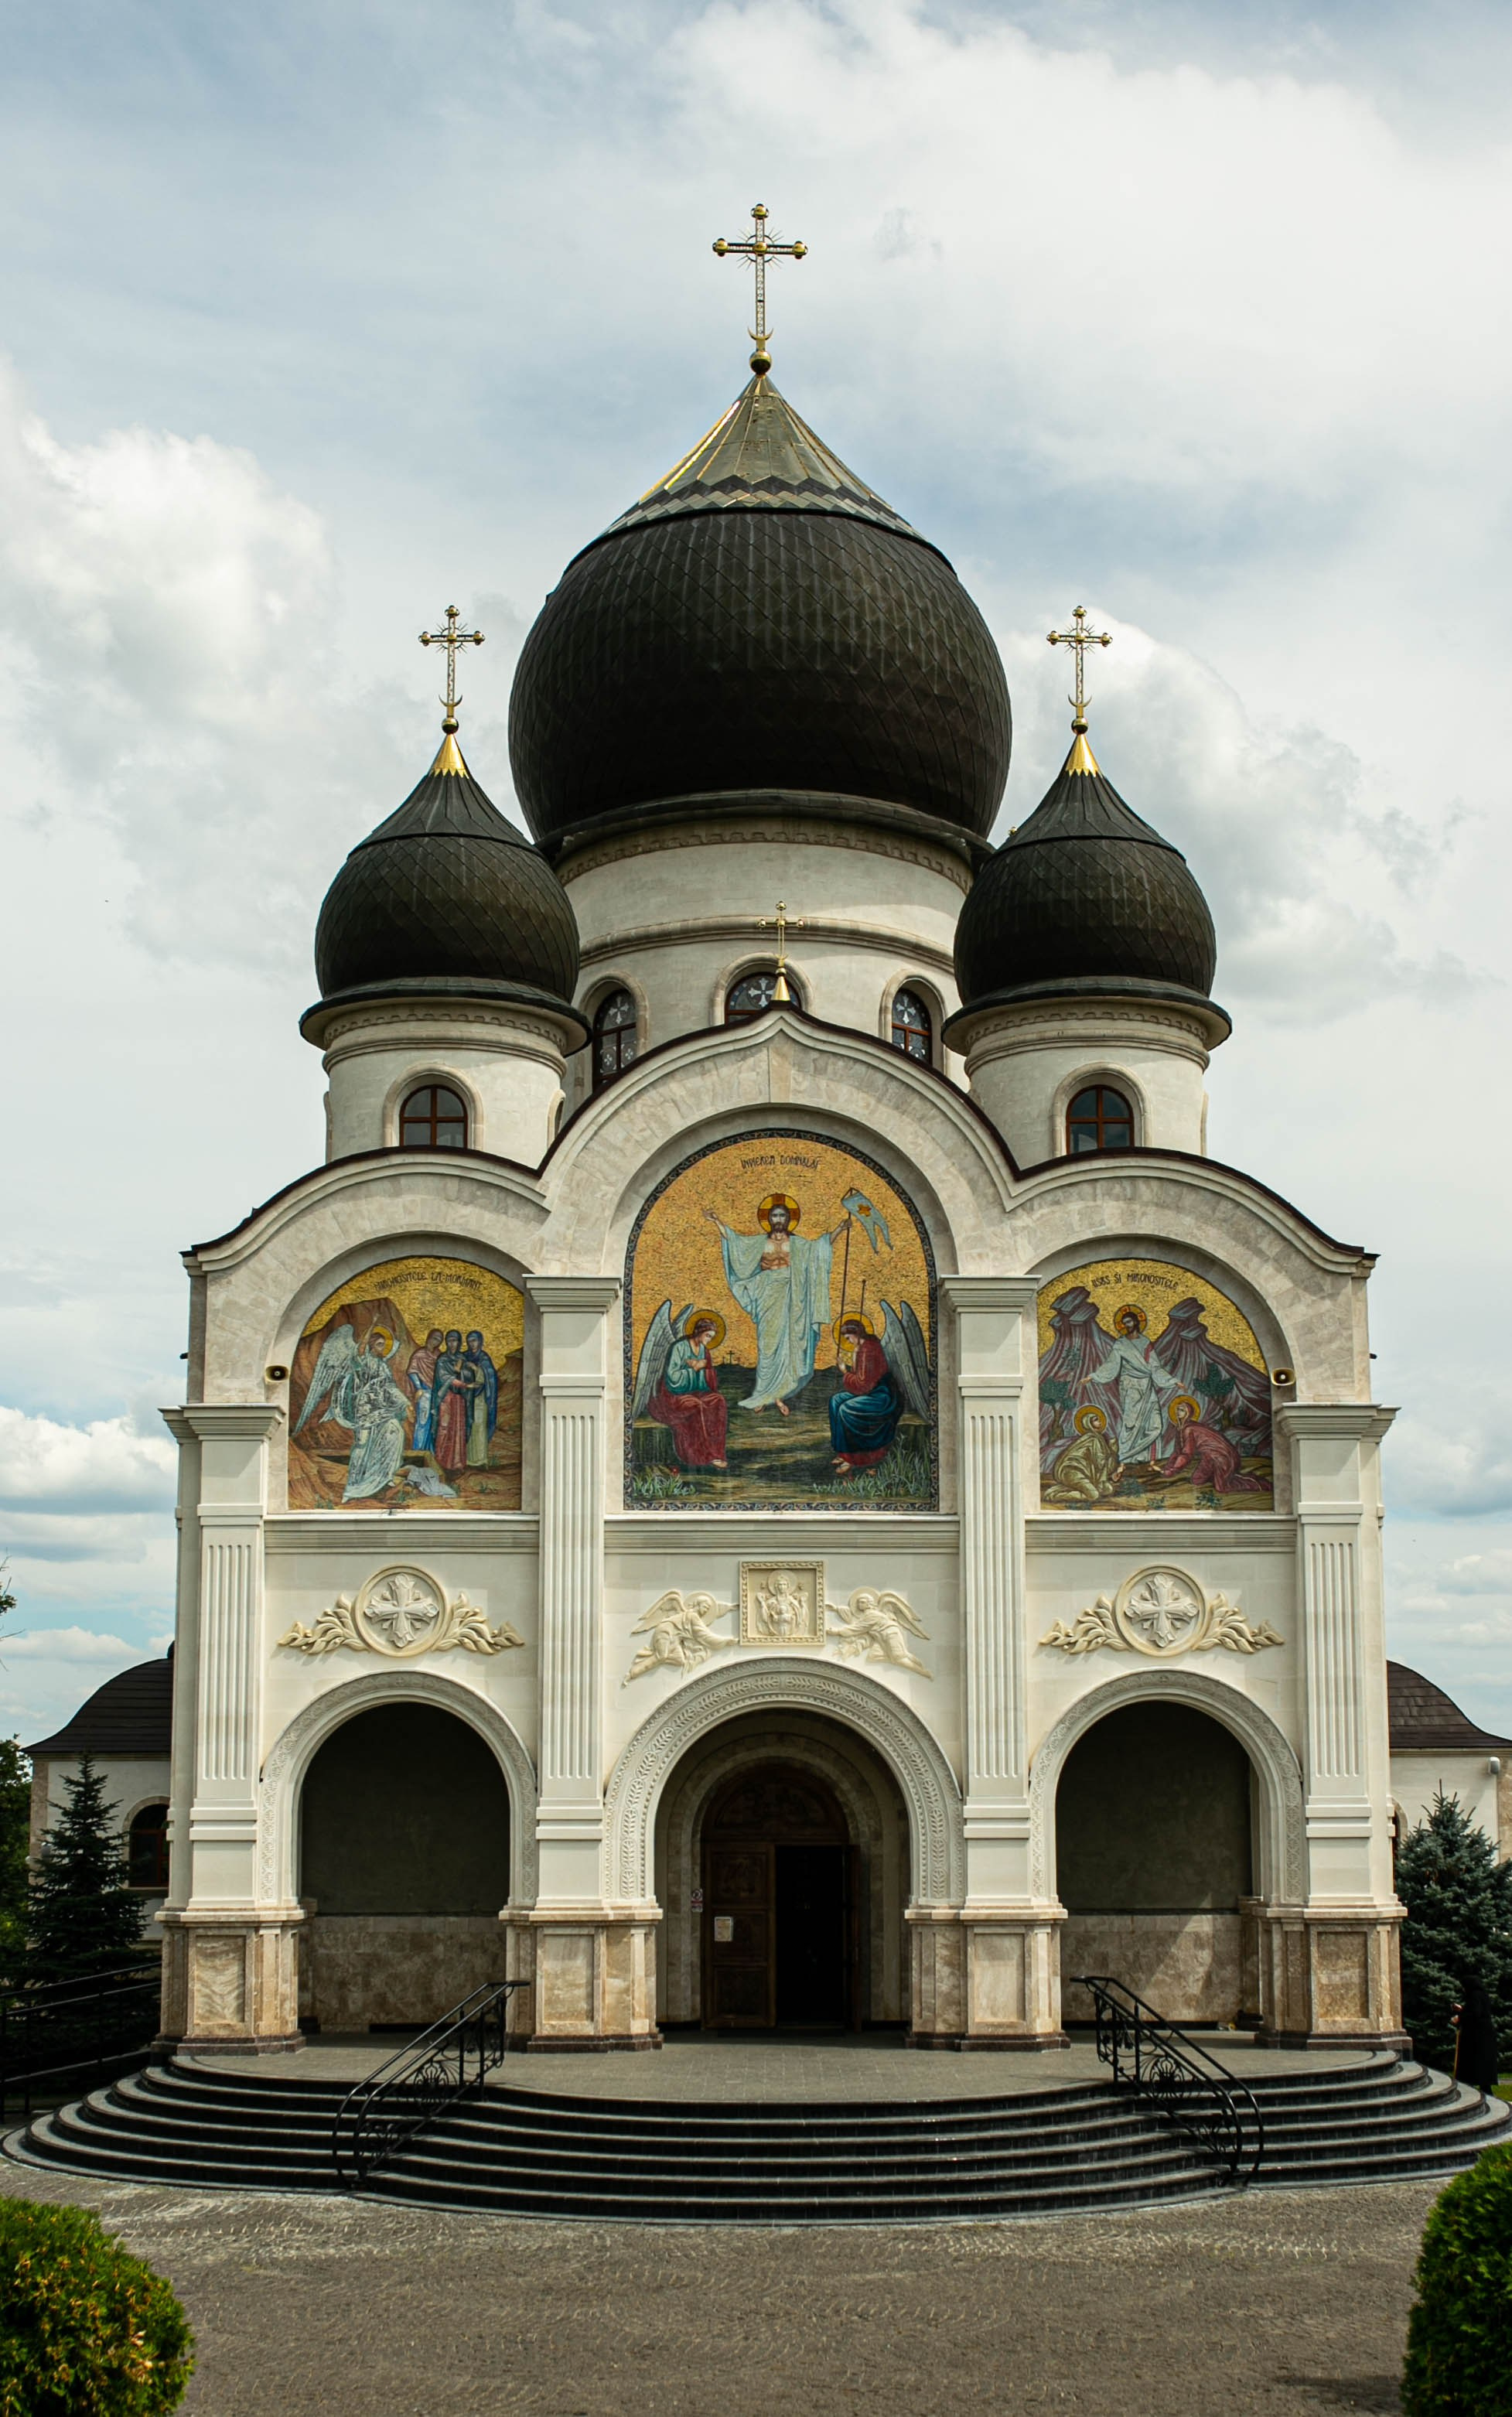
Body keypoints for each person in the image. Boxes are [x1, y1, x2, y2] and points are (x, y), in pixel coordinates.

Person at [709, 1195, 844, 1416]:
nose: (778, 1219)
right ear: (769, 1219)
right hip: (767, 1295)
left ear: (788, 1219)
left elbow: (820, 1247)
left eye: (782, 1215)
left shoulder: (797, 1244)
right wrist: (717, 1221)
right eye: (775, 1215)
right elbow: (735, 1242)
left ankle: (779, 1397)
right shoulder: (760, 1243)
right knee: (768, 1346)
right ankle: (762, 1394)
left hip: (793, 1297)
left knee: (790, 1347)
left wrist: (839, 1228)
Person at [1089, 1306, 1181, 1471]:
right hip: (1130, 1387)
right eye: (1124, 1323)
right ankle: (1124, 1461)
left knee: (1154, 1424)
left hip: (1146, 1386)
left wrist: (1172, 1380)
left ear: (1137, 1322)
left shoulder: (1145, 1343)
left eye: (1129, 1322)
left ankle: (1150, 1461)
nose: (1127, 1325)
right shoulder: (1121, 1344)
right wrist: (1094, 1376)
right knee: (1130, 1425)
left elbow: (1155, 1367)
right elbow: (1111, 1365)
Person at [649, 1312, 729, 1470]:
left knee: (718, 1401)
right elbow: (672, 1377)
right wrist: (693, 1370)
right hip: (674, 1395)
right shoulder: (679, 1347)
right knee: (696, 1406)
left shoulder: (704, 1351)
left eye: (711, 1337)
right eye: (707, 1336)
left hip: (698, 1392)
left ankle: (717, 1453)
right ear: (699, 1332)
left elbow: (710, 1381)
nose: (709, 1340)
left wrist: (706, 1370)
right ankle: (701, 1455)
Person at [340, 1329, 411, 1502]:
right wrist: (371, 1325)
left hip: (382, 1410)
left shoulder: (383, 1367)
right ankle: (353, 1487)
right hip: (365, 1410)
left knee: (396, 1431)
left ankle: (385, 1476)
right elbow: (359, 1351)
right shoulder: (363, 1361)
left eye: (384, 1345)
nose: (382, 1349)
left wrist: (406, 1404)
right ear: (371, 1345)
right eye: (379, 1345)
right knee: (362, 1445)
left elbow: (390, 1388)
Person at [1151, 1395, 1265, 1499]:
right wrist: (1168, 1468)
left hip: (1221, 1456)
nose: (1178, 1412)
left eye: (1182, 1410)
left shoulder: (1189, 1429)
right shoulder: (1180, 1429)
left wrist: (1173, 1471)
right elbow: (1177, 1452)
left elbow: (1186, 1454)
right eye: (1177, 1409)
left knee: (1222, 1487)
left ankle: (1258, 1484)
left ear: (1188, 1413)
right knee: (1197, 1480)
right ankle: (1215, 1475)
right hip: (1209, 1457)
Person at [828, 1314, 901, 1473]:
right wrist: (855, 1357)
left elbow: (862, 1386)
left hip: (882, 1396)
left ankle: (853, 1458)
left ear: (856, 1334)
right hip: (871, 1391)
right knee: (835, 1401)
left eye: (849, 1338)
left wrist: (844, 1371)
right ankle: (843, 1452)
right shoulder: (862, 1348)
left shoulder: (869, 1349)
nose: (848, 1342)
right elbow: (861, 1378)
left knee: (845, 1410)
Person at [1044, 1404, 1119, 1504]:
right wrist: (1113, 1452)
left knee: (1108, 1489)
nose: (1100, 1422)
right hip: (1073, 1471)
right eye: (1096, 1420)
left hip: (1084, 1473)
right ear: (1088, 1423)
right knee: (1094, 1496)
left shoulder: (1097, 1438)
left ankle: (1064, 1488)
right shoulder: (1093, 1438)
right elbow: (1100, 1463)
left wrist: (1114, 1473)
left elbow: (1101, 1467)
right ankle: (1053, 1495)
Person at [430, 1330, 470, 1476]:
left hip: (459, 1399)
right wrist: (456, 1375)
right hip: (446, 1398)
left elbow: (469, 1375)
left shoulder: (462, 1358)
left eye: (455, 1341)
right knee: (444, 1428)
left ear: (459, 1343)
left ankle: (456, 1464)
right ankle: (441, 1462)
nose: (452, 1344)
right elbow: (442, 1377)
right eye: (450, 1341)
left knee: (458, 1429)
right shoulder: (442, 1359)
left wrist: (462, 1373)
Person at [1452, 1978, 1501, 2095]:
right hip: (1485, 2034)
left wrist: (1460, 2018)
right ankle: (1486, 2090)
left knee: (1474, 2062)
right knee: (1483, 2064)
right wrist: (1462, 2010)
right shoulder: (1483, 1995)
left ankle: (1471, 2089)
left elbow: (1475, 2014)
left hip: (1477, 2036)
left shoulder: (1474, 1996)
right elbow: (1479, 2011)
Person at [463, 1329, 498, 1469]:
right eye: (469, 1341)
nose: (472, 1344)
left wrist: (476, 1369)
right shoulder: (464, 1356)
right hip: (466, 1398)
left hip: (480, 1398)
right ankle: (466, 1460)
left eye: (474, 1340)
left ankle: (480, 1460)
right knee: (467, 1426)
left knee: (479, 1426)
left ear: (480, 1341)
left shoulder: (484, 1358)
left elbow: (490, 1378)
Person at [406, 1328, 444, 1455]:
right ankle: (419, 1451)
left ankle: (430, 1451)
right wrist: (419, 1388)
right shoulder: (420, 1354)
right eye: (435, 1338)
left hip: (436, 1393)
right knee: (423, 1420)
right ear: (429, 1337)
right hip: (425, 1391)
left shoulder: (439, 1355)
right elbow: (412, 1371)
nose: (436, 1342)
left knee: (434, 1423)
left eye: (439, 1340)